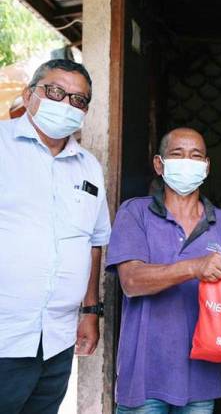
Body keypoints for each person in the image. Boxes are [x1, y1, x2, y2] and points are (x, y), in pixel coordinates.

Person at [106, 127, 221, 413]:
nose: (187, 161)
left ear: (206, 167)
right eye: (177, 154)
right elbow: (131, 281)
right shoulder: (135, 213)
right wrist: (195, 266)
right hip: (145, 374)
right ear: (159, 164)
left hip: (202, 375)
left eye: (195, 156)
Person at [0, 59, 111, 413]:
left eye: (79, 100)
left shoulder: (89, 167)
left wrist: (90, 310)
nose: (67, 104)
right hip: (6, 334)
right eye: (56, 92)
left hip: (57, 339)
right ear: (29, 93)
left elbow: (94, 242)